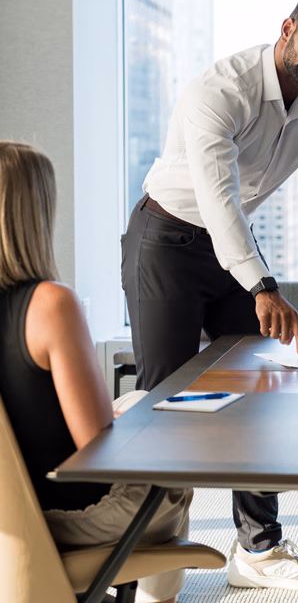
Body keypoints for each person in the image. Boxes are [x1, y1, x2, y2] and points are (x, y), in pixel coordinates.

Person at [122, 0, 298, 591]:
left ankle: (258, 550)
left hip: (233, 247)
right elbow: (218, 197)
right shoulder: (221, 90)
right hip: (166, 240)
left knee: (261, 384)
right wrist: (263, 285)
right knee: (163, 400)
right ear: (287, 28)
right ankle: (148, 552)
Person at [0, 141, 192, 603]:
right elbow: (97, 447)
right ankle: (158, 597)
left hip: (11, 513)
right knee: (174, 443)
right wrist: (131, 426)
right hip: (71, 510)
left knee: (135, 400)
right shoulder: (50, 304)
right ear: (35, 213)